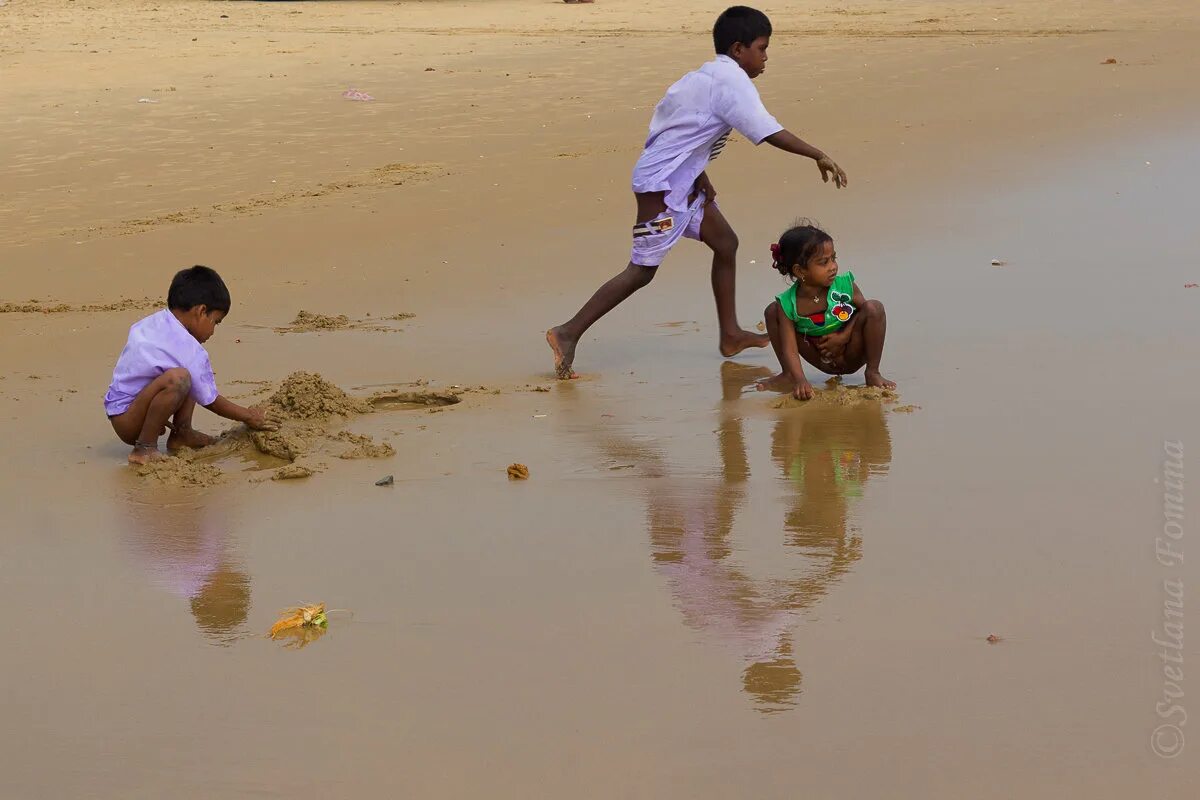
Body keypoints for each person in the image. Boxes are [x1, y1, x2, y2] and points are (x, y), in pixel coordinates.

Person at [546, 5, 848, 379]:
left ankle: (730, 335)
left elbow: (675, 131)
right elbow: (767, 130)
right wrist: (817, 154)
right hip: (662, 187)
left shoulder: (700, 77)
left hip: (681, 180)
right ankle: (568, 332)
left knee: (726, 242)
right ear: (738, 49)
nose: (765, 57)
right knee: (641, 271)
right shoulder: (732, 81)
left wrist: (698, 173)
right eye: (761, 48)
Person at [104, 265, 276, 465]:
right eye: (216, 322)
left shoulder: (155, 322)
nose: (213, 331)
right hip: (129, 421)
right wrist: (249, 416)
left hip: (121, 410)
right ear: (201, 311)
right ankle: (144, 448)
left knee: (188, 373)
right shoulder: (188, 348)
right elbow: (211, 401)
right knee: (179, 378)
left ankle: (182, 434)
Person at [758, 221, 894, 399]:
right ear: (800, 271)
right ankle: (790, 375)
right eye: (823, 262)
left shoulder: (844, 285)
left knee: (874, 307)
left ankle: (873, 372)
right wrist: (801, 380)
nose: (833, 266)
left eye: (833, 258)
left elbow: (867, 315)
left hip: (851, 351)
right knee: (772, 311)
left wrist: (843, 336)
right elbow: (789, 346)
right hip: (819, 357)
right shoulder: (788, 303)